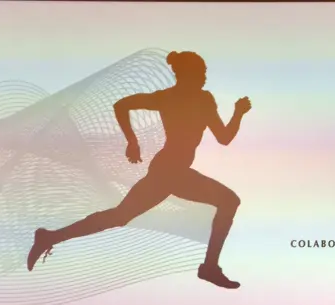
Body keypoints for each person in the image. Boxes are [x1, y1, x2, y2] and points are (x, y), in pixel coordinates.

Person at [26, 50, 250, 290]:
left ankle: (50, 237)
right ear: (188, 74)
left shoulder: (176, 98)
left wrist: (133, 141)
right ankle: (209, 268)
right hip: (171, 171)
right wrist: (238, 113)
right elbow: (224, 137)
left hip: (167, 170)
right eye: (201, 72)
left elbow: (123, 106)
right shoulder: (192, 99)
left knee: (120, 216)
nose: (205, 77)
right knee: (229, 201)